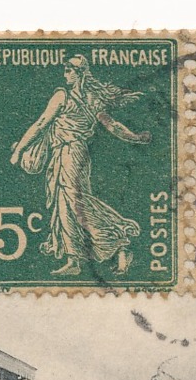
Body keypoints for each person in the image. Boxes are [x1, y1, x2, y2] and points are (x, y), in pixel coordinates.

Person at [12, 55, 152, 278]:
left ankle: (117, 239)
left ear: (79, 73)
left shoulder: (62, 96)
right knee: (68, 203)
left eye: (68, 71)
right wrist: (134, 137)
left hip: (69, 153)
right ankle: (76, 258)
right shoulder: (92, 99)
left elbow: (41, 124)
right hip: (73, 155)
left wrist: (19, 150)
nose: (65, 75)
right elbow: (113, 126)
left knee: (74, 202)